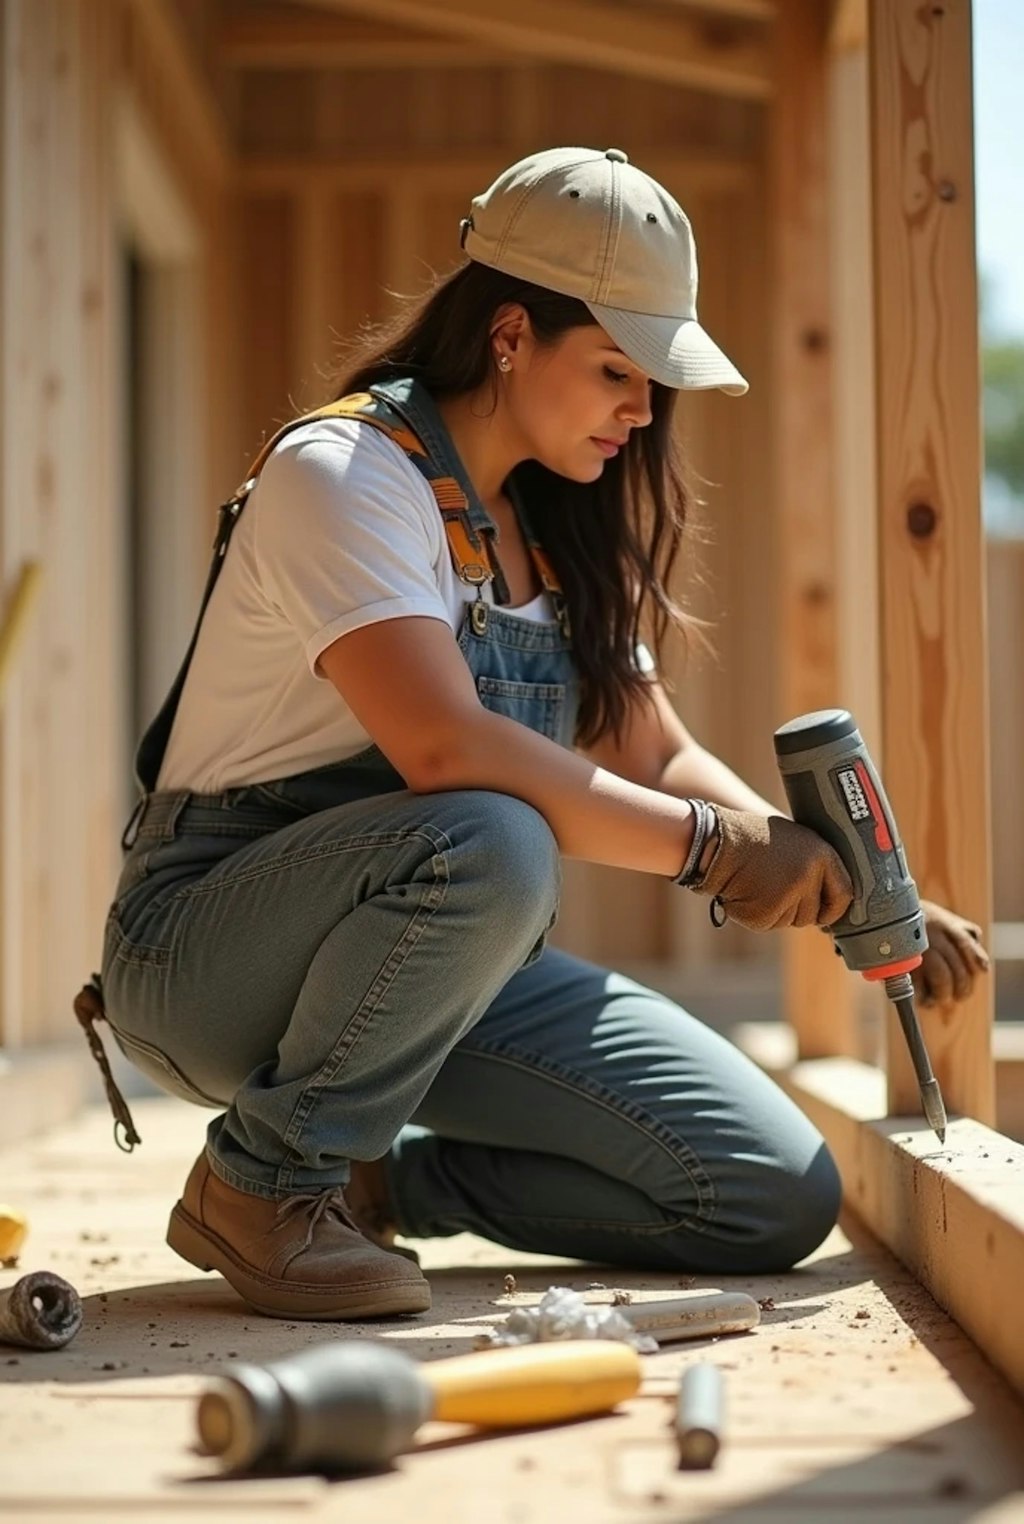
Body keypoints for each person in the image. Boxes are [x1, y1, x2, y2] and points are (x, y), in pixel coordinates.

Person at [82, 147, 989, 1322]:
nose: (641, 408)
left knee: (768, 1191)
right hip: (204, 952)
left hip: (432, 960)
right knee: (494, 838)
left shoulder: (550, 528)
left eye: (652, 378)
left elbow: (654, 751)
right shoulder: (348, 474)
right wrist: (719, 853)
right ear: (509, 334)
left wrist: (859, 879)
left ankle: (375, 1178)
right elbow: (446, 755)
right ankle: (262, 1184)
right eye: (616, 368)